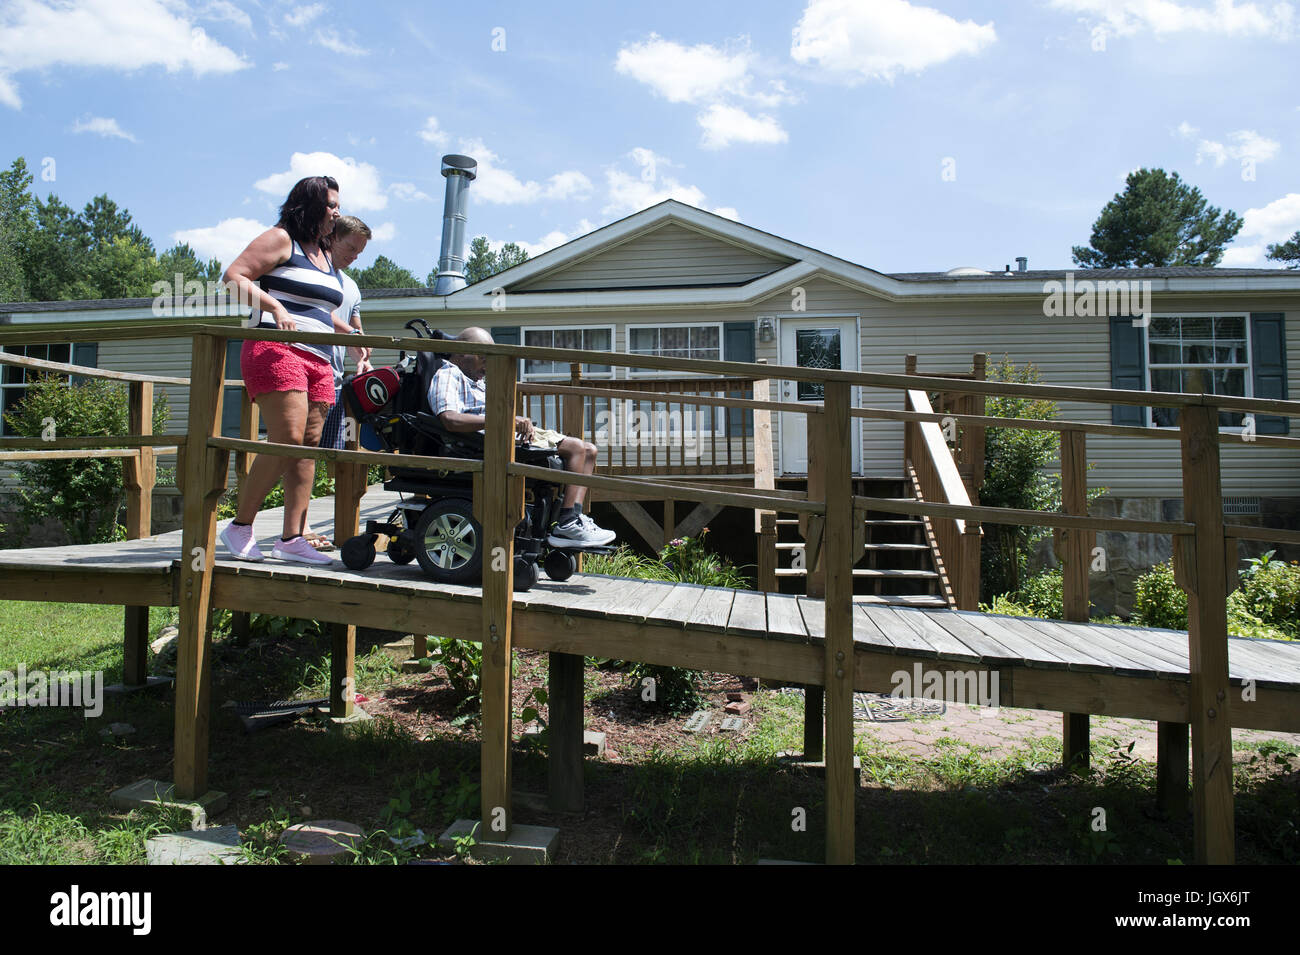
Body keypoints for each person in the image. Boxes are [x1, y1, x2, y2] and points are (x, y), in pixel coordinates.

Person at [218, 175, 343, 566]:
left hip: (321, 359)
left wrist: (352, 334)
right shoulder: (280, 239)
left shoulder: (323, 254)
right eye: (331, 204)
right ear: (309, 205)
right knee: (287, 437)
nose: (337, 212)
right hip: (276, 348)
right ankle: (239, 526)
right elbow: (233, 277)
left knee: (307, 448)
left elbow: (321, 308)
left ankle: (292, 538)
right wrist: (274, 308)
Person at [428, 327, 616, 547]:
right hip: (481, 442)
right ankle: (567, 523)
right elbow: (450, 419)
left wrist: (512, 420)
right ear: (460, 353)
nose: (488, 365)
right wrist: (506, 421)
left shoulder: (475, 381)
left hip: (500, 433)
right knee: (576, 448)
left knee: (590, 450)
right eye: (483, 357)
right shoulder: (448, 374)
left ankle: (572, 518)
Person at [320, 216, 372, 452]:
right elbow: (318, 313)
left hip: (335, 383)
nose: (354, 256)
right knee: (298, 452)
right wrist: (353, 332)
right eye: (351, 248)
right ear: (332, 237)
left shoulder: (352, 287)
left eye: (359, 252)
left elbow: (356, 333)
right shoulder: (313, 273)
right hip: (307, 379)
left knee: (336, 455)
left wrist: (363, 359)